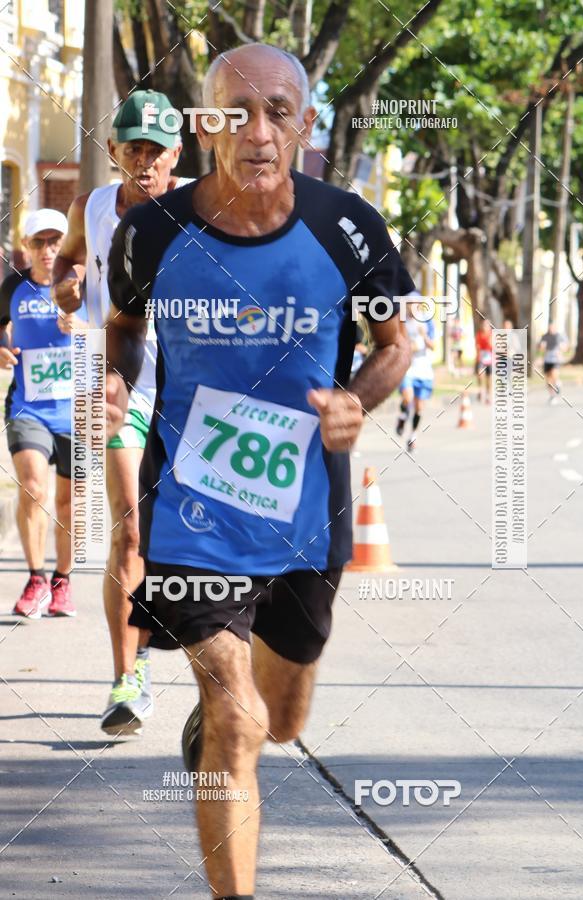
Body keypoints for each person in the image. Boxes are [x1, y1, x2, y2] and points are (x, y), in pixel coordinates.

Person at [105, 43, 413, 900]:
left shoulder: (347, 227)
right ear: (205, 125)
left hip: (306, 511)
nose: (258, 130)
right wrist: (118, 374)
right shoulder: (150, 233)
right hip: (192, 509)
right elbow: (126, 326)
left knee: (278, 719)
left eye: (279, 111)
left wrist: (358, 398)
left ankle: (221, 715)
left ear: (306, 125)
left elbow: (396, 348)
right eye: (235, 112)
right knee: (238, 722)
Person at [52, 90, 194, 735]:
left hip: (196, 384)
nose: (143, 160)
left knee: (195, 534)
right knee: (131, 529)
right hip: (118, 378)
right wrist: (65, 278)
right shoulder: (93, 204)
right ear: (113, 151)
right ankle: (127, 681)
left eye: (155, 150)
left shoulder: (206, 207)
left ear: (176, 154)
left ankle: (216, 667)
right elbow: (70, 253)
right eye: (132, 147)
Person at [0, 209, 85, 618]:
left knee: (69, 502)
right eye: (39, 242)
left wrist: (82, 330)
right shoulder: (13, 287)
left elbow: (119, 332)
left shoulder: (84, 286)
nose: (48, 250)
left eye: (56, 242)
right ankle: (36, 579)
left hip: (77, 410)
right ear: (26, 247)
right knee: (34, 487)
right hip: (27, 407)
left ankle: (62, 581)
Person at [395, 301, 435, 451]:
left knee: (419, 407)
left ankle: (412, 436)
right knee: (407, 397)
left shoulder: (426, 321)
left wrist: (424, 336)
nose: (411, 306)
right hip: (408, 367)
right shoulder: (401, 321)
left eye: (414, 303)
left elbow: (433, 346)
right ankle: (403, 417)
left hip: (423, 369)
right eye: (408, 303)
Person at [538, 322, 568, 404]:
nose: (551, 329)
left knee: (554, 375)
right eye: (549, 327)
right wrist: (541, 351)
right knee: (548, 379)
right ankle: (552, 396)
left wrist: (561, 349)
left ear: (555, 328)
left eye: (552, 327)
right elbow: (540, 348)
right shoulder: (545, 336)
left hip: (555, 359)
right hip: (547, 359)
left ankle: (557, 383)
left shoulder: (559, 336)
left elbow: (565, 347)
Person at [475, 319, 493, 403]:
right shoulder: (479, 334)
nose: (485, 327)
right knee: (480, 374)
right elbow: (478, 346)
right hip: (481, 358)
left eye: (486, 325)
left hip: (490, 358)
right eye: (484, 325)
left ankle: (488, 395)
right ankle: (481, 391)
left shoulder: (492, 335)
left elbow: (493, 346)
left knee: (489, 378)